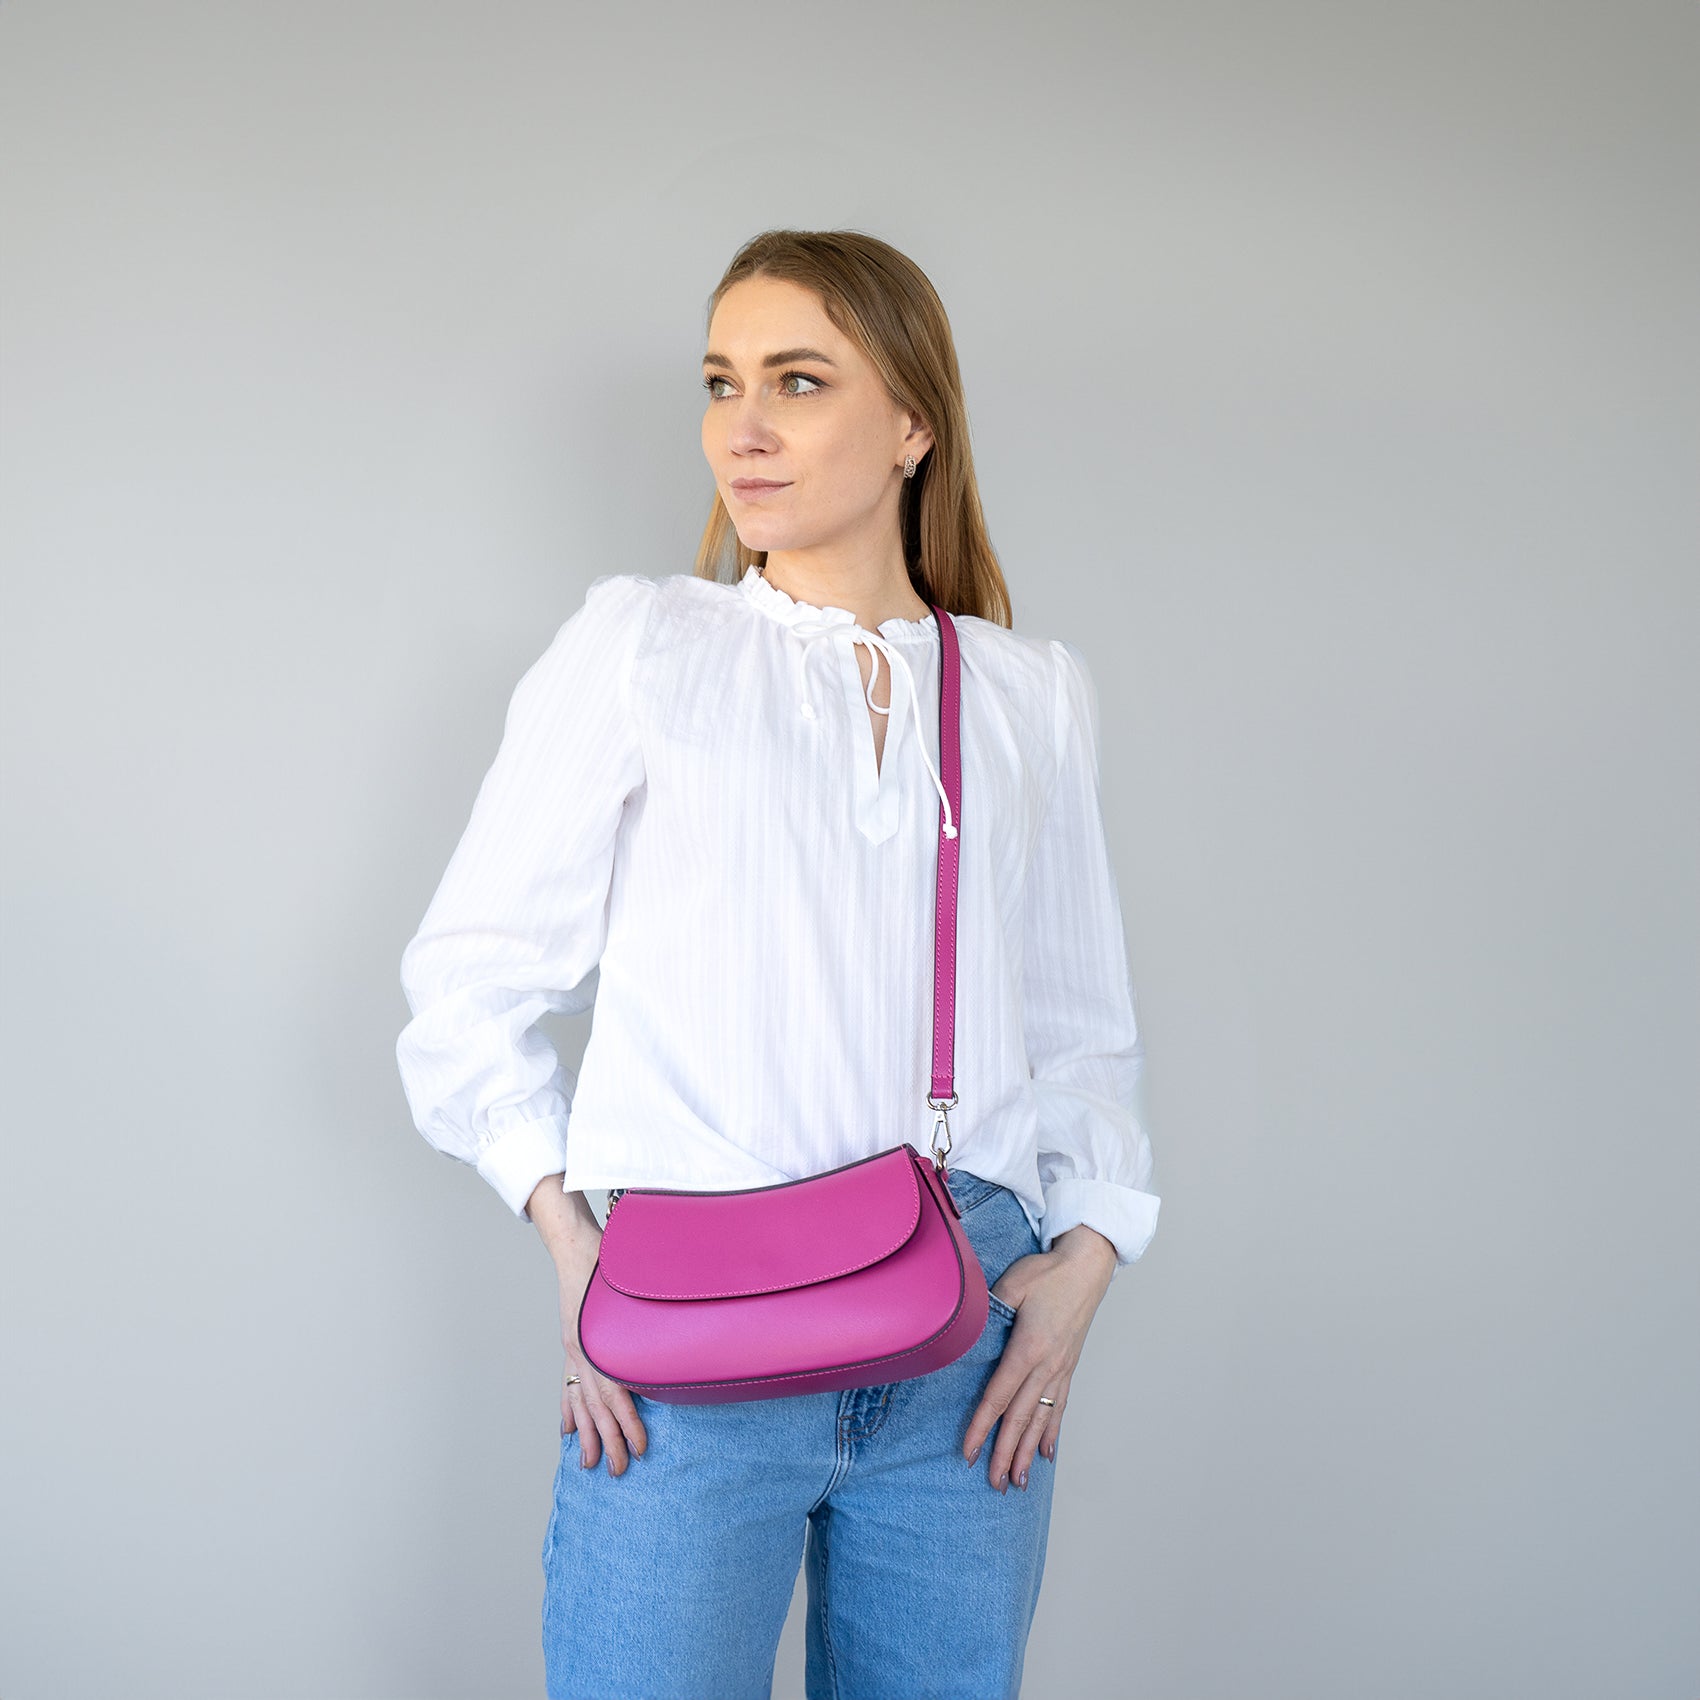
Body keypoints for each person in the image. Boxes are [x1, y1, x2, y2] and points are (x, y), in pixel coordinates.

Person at [395, 228, 1161, 1700]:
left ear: (914, 420)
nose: (741, 427)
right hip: (686, 1324)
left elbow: (1081, 1027)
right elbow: (470, 980)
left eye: (798, 381)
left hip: (967, 1338)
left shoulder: (1027, 695)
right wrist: (574, 1246)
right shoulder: (645, 646)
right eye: (721, 382)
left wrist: (1086, 1262)